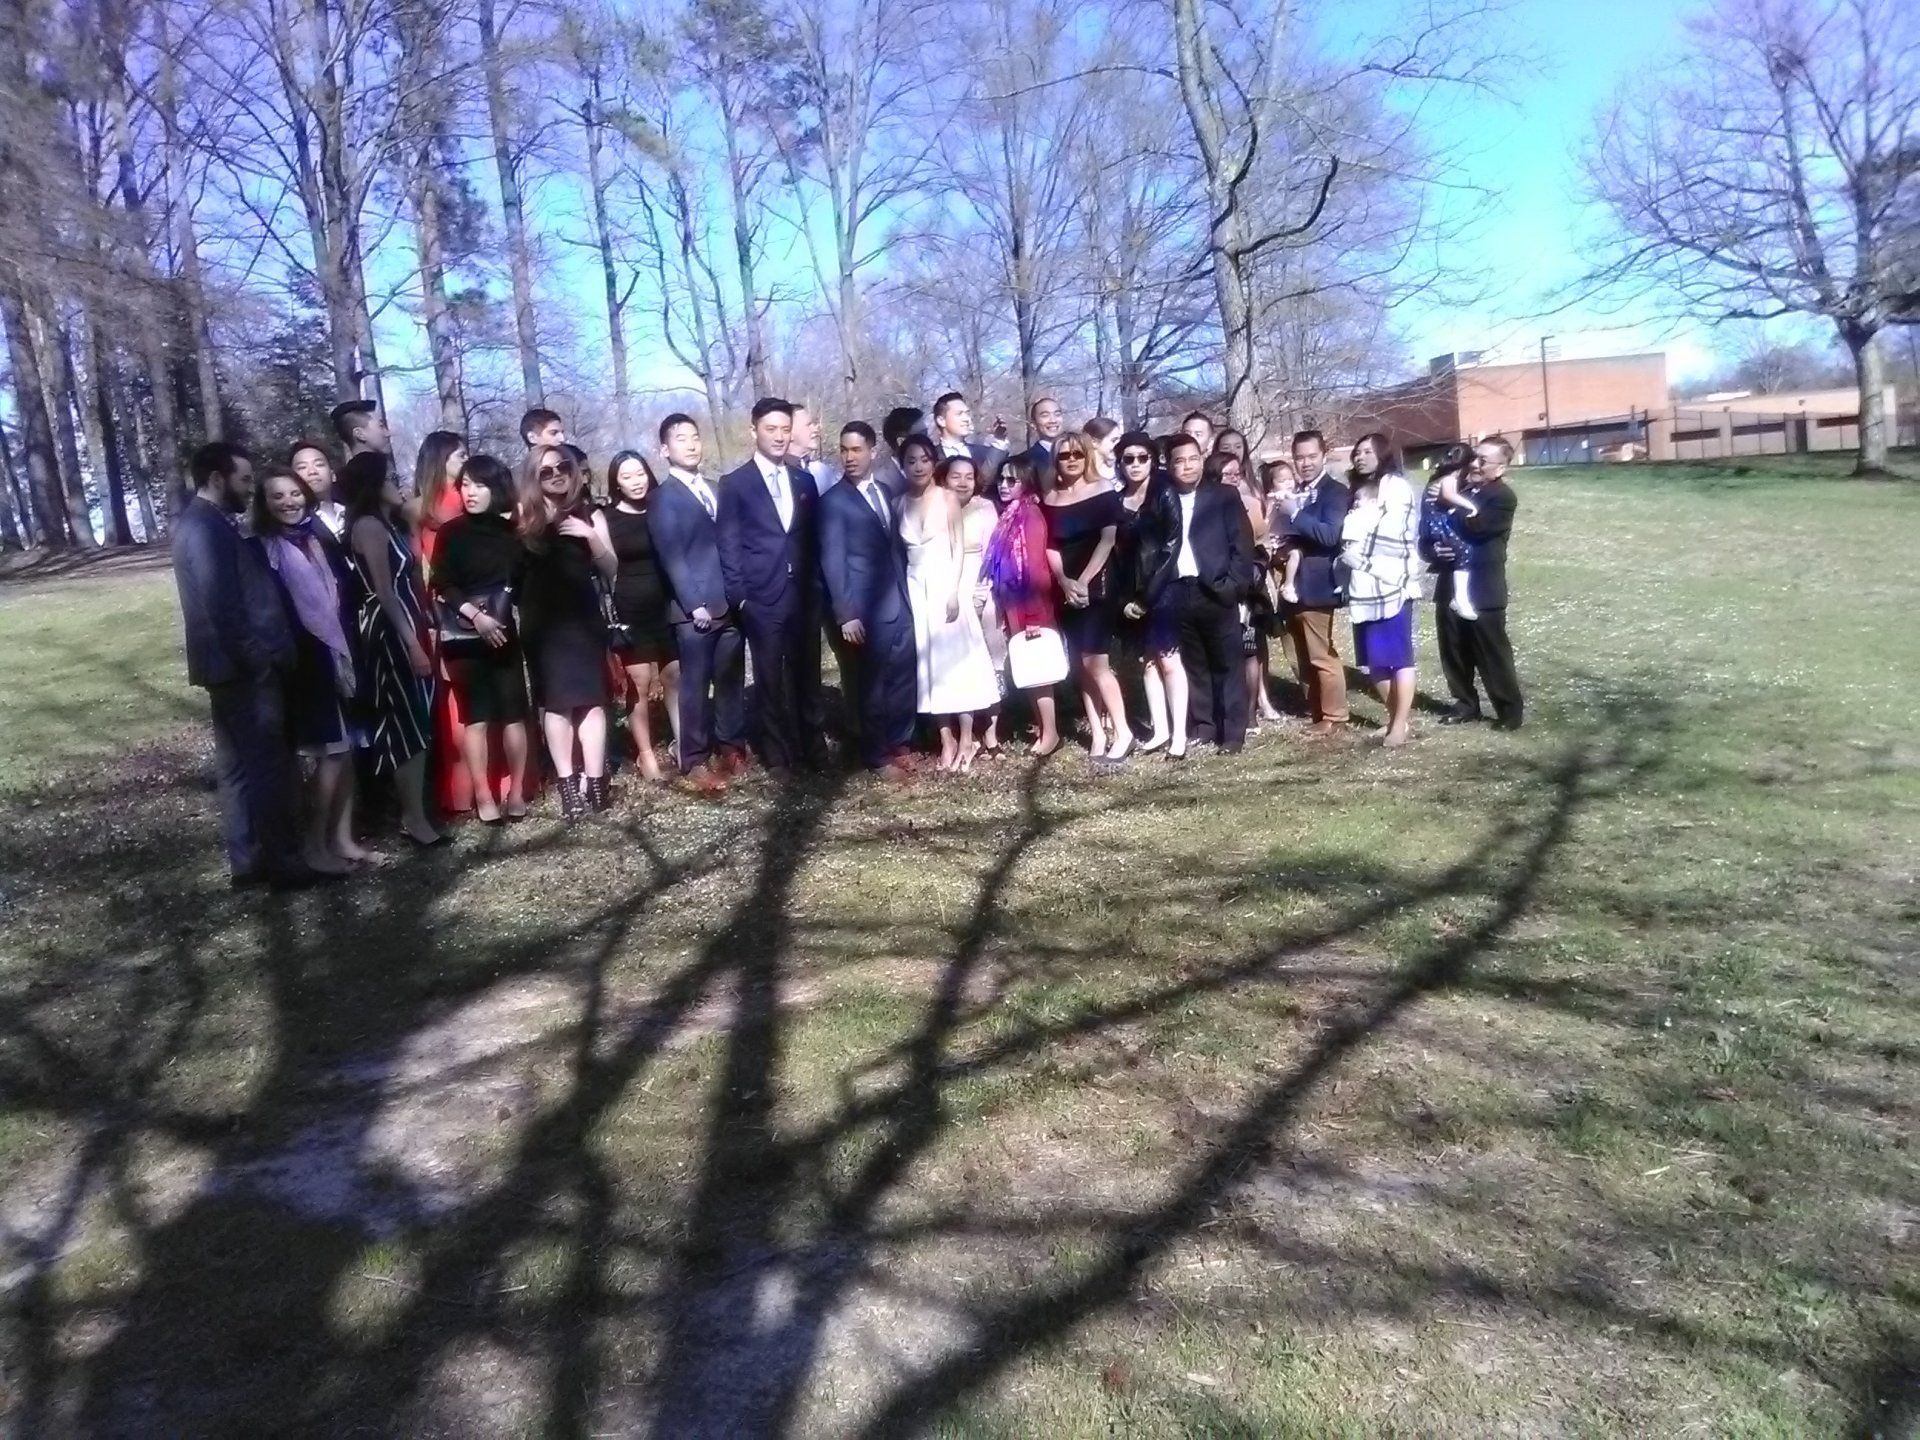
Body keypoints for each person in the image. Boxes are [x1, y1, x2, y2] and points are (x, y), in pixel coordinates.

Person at [171, 442, 318, 889]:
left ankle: (248, 862)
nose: (248, 487)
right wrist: (260, 658)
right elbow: (222, 605)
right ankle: (285, 864)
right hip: (243, 670)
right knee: (266, 766)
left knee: (235, 769)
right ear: (217, 479)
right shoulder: (205, 527)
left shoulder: (206, 523)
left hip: (229, 668)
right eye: (243, 479)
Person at [251, 468, 365, 875]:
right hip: (306, 661)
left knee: (347, 750)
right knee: (330, 753)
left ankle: (342, 838)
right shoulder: (266, 549)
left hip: (337, 653)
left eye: (293, 493)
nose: (288, 502)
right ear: (264, 505)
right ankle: (315, 846)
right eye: (276, 496)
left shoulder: (316, 539)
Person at [338, 452, 442, 845]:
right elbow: (384, 593)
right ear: (373, 485)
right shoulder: (368, 526)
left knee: (417, 716)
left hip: (409, 622)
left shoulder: (390, 523)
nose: (397, 484)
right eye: (389, 478)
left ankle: (416, 813)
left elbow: (413, 574)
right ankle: (412, 820)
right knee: (405, 721)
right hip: (388, 631)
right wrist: (412, 643)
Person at [717, 397, 823, 773]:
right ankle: (777, 754)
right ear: (754, 431)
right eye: (771, 429)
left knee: (807, 674)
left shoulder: (804, 480)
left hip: (804, 597)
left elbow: (812, 540)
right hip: (761, 597)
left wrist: (816, 588)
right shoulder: (735, 484)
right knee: (769, 678)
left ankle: (813, 747)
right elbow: (728, 544)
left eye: (784, 429)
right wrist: (740, 598)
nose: (779, 437)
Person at [432, 455, 534, 822]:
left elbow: (523, 583)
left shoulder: (512, 534)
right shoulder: (451, 532)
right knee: (476, 718)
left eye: (479, 485)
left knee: (512, 714)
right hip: (465, 635)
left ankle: (517, 791)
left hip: (505, 633)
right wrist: (476, 617)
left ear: (496, 488)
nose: (470, 492)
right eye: (465, 485)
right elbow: (441, 582)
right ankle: (483, 794)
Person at [518, 444, 617, 818]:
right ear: (533, 477)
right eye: (547, 471)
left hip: (583, 622)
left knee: (592, 701)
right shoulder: (523, 518)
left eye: (563, 466)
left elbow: (611, 569)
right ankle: (567, 788)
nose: (557, 473)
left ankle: (594, 784)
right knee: (557, 704)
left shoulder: (590, 514)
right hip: (543, 626)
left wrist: (590, 536)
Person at [650, 412, 747, 794]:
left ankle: (732, 745)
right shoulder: (663, 498)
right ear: (664, 450)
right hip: (694, 612)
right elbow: (671, 554)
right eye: (681, 439)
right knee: (695, 685)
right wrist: (694, 605)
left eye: (694, 437)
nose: (691, 445)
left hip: (729, 603)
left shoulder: (715, 488)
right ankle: (692, 758)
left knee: (730, 679)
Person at [1139, 433, 1255, 752]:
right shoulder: (1163, 498)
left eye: (1193, 458)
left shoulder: (1224, 496)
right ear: (1169, 465)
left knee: (1227, 662)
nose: (1187, 466)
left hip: (1217, 589)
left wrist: (1233, 586)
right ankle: (1204, 725)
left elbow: (1242, 546)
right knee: (1194, 662)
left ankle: (1232, 733)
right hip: (1178, 589)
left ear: (1203, 458)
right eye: (1179, 460)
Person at [817, 422, 917, 779]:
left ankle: (900, 742)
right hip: (863, 610)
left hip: (900, 603)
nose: (849, 457)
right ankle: (876, 755)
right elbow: (832, 559)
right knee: (871, 686)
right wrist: (845, 614)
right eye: (844, 450)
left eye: (857, 450)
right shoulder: (832, 502)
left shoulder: (887, 490)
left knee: (904, 676)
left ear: (873, 451)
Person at [898, 438, 1000, 771]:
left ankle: (968, 735)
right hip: (917, 588)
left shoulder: (947, 498)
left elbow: (958, 547)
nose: (918, 466)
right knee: (932, 665)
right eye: (911, 461)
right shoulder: (899, 503)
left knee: (959, 661)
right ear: (903, 465)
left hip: (948, 586)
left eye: (925, 460)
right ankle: (946, 739)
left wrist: (955, 591)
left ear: (933, 464)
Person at [1424, 435, 1524, 729]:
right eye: (1474, 458)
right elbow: (1429, 534)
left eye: (1483, 460)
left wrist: (1449, 503)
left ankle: (1509, 712)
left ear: (1501, 468)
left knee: (1492, 655)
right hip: (1449, 584)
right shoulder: (1459, 488)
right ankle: (1465, 705)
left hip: (1482, 589)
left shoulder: (1502, 497)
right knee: (1453, 650)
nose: (1475, 464)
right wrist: (1433, 549)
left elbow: (1478, 528)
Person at [1043, 432, 1132, 762]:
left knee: (1097, 662)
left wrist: (1082, 581)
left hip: (1099, 585)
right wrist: (1064, 581)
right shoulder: (1050, 497)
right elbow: (1050, 545)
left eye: (1076, 455)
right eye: (1064, 455)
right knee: (1080, 664)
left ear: (1086, 457)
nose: (1070, 460)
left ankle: (1123, 731)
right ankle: (1097, 731)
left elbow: (1108, 540)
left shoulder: (1103, 491)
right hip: (1066, 588)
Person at [596, 450, 680, 783]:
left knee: (675, 674)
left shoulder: (661, 506)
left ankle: (683, 743)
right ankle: (646, 754)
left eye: (640, 473)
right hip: (630, 607)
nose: (636, 481)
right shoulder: (606, 517)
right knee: (640, 683)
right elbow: (606, 567)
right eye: (627, 476)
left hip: (669, 603)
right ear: (616, 482)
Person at [1339, 432, 1421, 748]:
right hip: (1362, 587)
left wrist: (1360, 555)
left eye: (1367, 452)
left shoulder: (1395, 486)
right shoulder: (1356, 490)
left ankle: (1399, 725)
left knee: (1398, 658)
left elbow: (1395, 531)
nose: (1360, 457)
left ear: (1383, 454)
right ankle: (1394, 718)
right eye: (1357, 452)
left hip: (1392, 583)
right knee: (1374, 661)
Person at [412, 429, 475, 817]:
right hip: (458, 608)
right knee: (469, 700)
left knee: (454, 702)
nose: (465, 461)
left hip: (439, 610)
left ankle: (459, 791)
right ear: (440, 461)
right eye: (458, 456)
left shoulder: (418, 506)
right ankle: (483, 783)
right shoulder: (452, 503)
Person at [983, 455, 1063, 756]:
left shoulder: (1029, 515)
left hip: (1032, 606)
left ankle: (1052, 733)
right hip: (1015, 605)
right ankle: (1042, 728)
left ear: (1026, 483)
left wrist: (1032, 615)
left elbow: (1034, 569)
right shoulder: (1010, 514)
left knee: (1040, 672)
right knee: (1028, 669)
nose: (1003, 485)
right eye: (1001, 479)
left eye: (1011, 480)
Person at [1276, 429, 1352, 737]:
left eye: (1311, 456)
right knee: (1300, 652)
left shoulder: (1335, 492)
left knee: (1321, 653)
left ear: (1324, 455)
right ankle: (1317, 708)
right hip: (1293, 582)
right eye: (1299, 457)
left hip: (1318, 582)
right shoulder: (1299, 489)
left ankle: (1334, 715)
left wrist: (1294, 515)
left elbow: (1330, 535)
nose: (1305, 463)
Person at [1114, 430, 1184, 755]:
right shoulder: (1116, 503)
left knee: (1169, 661)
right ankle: (1160, 731)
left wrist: (1147, 598)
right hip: (1131, 596)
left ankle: (1179, 735)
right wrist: (1125, 600)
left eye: (1143, 457)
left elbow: (1172, 546)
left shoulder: (1164, 493)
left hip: (1164, 590)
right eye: (1128, 458)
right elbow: (1114, 556)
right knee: (1148, 663)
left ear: (1153, 461)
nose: (1136, 464)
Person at [1213, 452, 1286, 730]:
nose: (1233, 479)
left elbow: (1264, 542)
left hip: (1248, 584)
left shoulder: (1251, 504)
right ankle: (1226, 711)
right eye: (1227, 474)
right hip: (1217, 585)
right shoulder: (1206, 505)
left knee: (1249, 648)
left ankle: (1251, 713)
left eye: (1237, 474)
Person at [947, 454, 1007, 753]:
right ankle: (960, 729)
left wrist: (984, 591)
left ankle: (992, 730)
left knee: (993, 658)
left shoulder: (985, 508)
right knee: (960, 661)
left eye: (969, 477)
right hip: (950, 590)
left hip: (984, 586)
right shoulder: (938, 508)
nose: (962, 482)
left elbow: (994, 553)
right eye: (956, 476)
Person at [931, 390, 1000, 485]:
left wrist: (1001, 440)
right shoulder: (930, 458)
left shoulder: (985, 454)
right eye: (959, 414)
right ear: (941, 420)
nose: (967, 419)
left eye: (967, 413)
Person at [289, 441, 347, 539]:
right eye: (302, 467)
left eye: (319, 465)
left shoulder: (352, 514)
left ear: (333, 475)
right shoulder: (293, 526)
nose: (312, 471)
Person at [874, 405, 925, 497]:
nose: (928, 439)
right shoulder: (881, 484)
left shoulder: (933, 469)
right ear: (901, 442)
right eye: (922, 434)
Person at [1020, 396, 1066, 476]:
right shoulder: (1024, 462)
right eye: (1045, 415)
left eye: (1057, 414)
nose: (1053, 420)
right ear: (1033, 424)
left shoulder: (1079, 455)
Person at [1084, 416, 1121, 489]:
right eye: (1113, 440)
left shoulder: (1120, 471)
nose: (1119, 445)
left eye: (1119, 440)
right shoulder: (1079, 475)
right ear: (1094, 442)